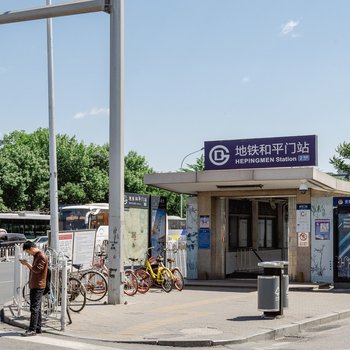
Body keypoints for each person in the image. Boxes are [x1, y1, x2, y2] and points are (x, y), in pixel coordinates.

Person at [19, 240, 48, 337]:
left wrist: (26, 263)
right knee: (37, 307)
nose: (29, 254)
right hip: (36, 284)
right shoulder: (37, 256)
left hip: (38, 286)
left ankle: (32, 329)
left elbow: (36, 270)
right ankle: (38, 327)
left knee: (34, 308)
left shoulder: (41, 256)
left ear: (31, 248)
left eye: (28, 252)